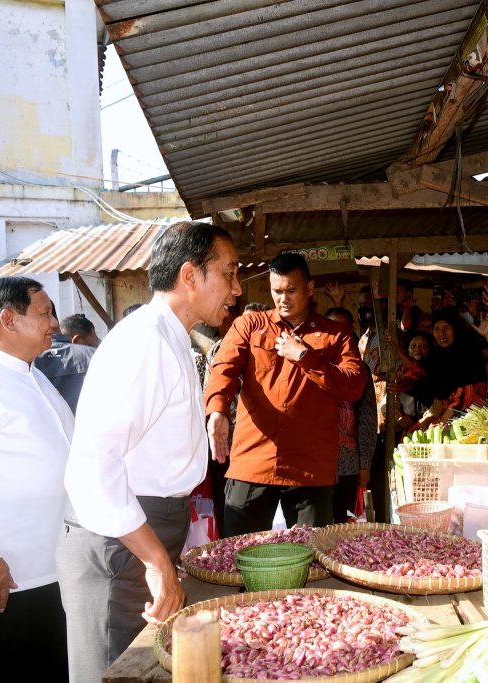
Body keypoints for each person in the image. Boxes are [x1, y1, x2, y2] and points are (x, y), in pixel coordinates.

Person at [57, 222, 242, 682]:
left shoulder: (171, 337)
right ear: (190, 275)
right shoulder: (144, 342)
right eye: (230, 272)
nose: (237, 289)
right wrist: (155, 559)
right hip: (121, 541)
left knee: (140, 668)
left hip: (142, 534)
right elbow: (93, 467)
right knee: (114, 669)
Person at [205, 252, 367, 535]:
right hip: (253, 460)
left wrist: (305, 356)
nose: (283, 299)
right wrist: (217, 410)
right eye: (276, 291)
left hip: (310, 467)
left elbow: (354, 385)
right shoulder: (250, 325)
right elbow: (224, 368)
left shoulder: (336, 334)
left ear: (309, 288)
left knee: (311, 558)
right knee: (236, 554)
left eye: (291, 290)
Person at [0, 277, 73, 681]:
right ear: (8, 319)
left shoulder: (33, 376)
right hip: (11, 575)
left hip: (55, 564)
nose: (55, 323)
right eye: (44, 313)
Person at [325, 308, 377, 524]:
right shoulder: (309, 363)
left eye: (343, 328)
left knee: (342, 523)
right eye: (331, 328)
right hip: (315, 464)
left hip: (346, 465)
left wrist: (364, 464)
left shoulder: (360, 371)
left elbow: (367, 420)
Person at [412, 308, 488, 425]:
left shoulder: (468, 353)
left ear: (455, 329)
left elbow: (466, 393)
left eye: (446, 328)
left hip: (471, 414)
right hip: (447, 413)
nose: (441, 333)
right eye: (437, 329)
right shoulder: (437, 358)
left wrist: (442, 421)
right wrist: (429, 417)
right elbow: (438, 398)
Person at [34, 313, 98, 414]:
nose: (92, 347)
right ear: (76, 340)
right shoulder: (94, 356)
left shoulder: (28, 360)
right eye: (91, 345)